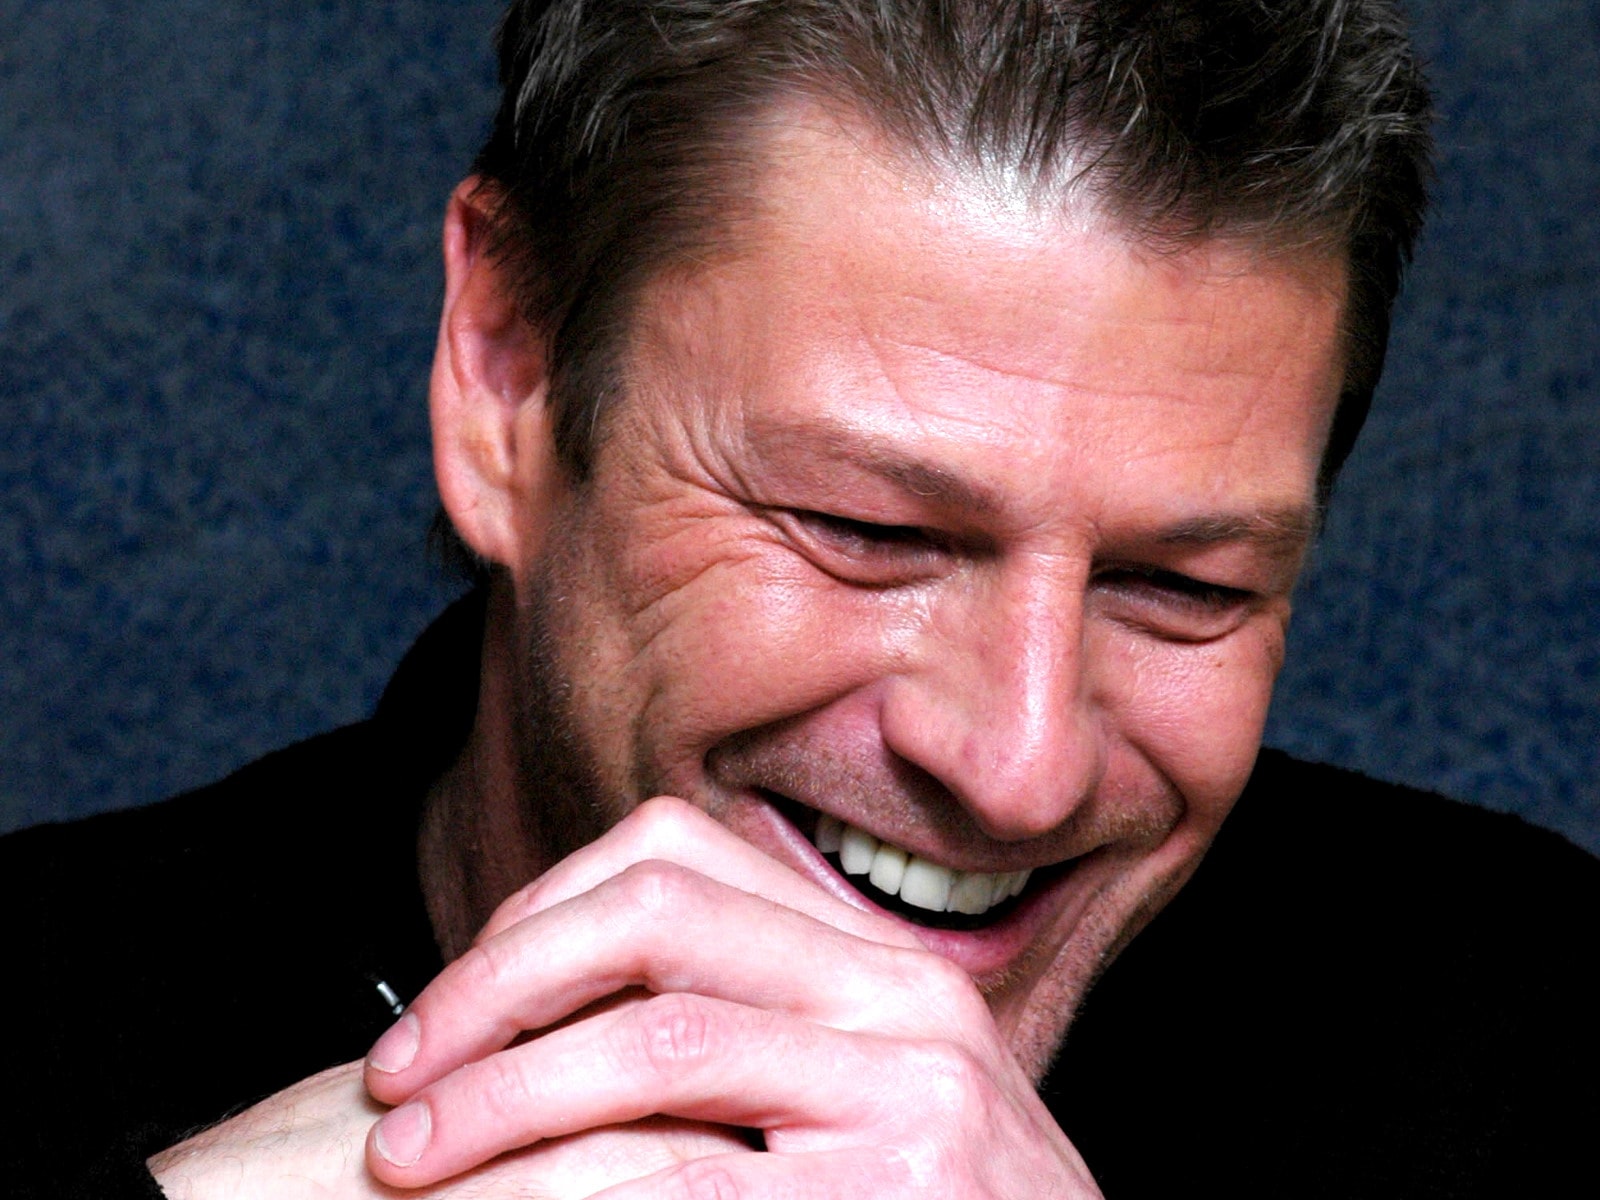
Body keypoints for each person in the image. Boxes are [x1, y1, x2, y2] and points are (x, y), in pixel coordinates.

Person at [6, 1, 1597, 1196]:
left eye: (1179, 585)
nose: (1021, 767)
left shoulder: (1535, 1042)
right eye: (866, 530)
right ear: (508, 381)